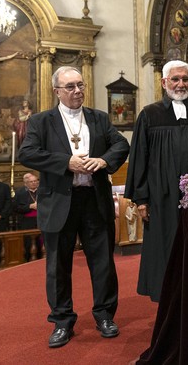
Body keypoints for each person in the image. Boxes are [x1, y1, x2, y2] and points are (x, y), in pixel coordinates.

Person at [18, 66, 129, 348]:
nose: (77, 91)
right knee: (58, 266)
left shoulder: (99, 118)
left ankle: (104, 315)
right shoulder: (41, 122)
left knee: (102, 262)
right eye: (70, 87)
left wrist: (103, 161)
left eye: (80, 85)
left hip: (94, 199)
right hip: (58, 201)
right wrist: (65, 162)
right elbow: (27, 153)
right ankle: (62, 321)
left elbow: (120, 144)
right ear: (57, 91)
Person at [124, 60, 188, 302]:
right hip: (161, 195)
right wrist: (142, 198)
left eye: (185, 79)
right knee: (165, 244)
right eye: (175, 79)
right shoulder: (149, 114)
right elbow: (139, 158)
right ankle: (167, 296)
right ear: (164, 82)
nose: (181, 84)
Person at [14, 172, 40, 260]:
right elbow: (16, 208)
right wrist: (30, 206)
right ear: (26, 183)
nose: (34, 183)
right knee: (29, 243)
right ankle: (29, 259)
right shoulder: (20, 193)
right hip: (27, 222)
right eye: (31, 181)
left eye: (36, 181)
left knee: (41, 242)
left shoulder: (43, 191)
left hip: (42, 220)